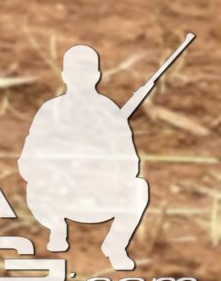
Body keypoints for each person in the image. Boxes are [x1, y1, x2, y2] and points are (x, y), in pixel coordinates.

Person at [20, 44, 152, 269]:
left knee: (139, 188)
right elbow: (28, 161)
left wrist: (103, 172)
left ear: (97, 76)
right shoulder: (51, 111)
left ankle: (115, 246)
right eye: (74, 72)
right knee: (36, 186)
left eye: (86, 72)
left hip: (99, 195)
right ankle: (56, 228)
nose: (80, 78)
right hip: (60, 193)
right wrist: (61, 168)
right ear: (64, 75)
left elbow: (130, 163)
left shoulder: (109, 113)